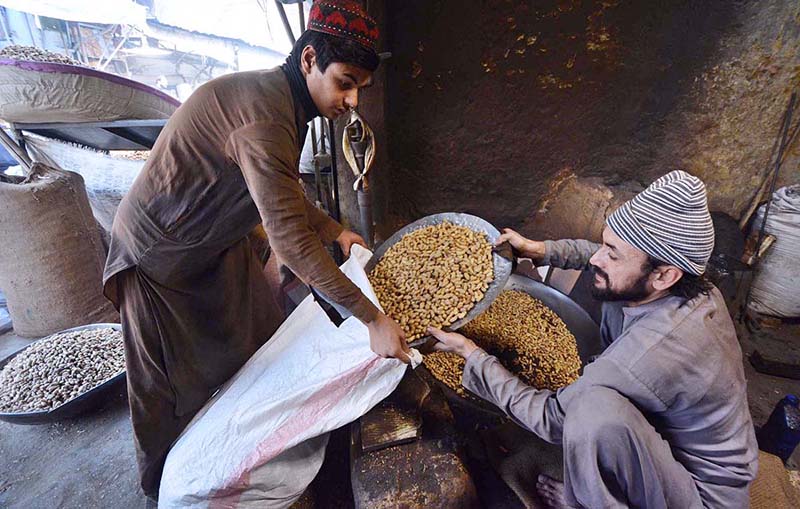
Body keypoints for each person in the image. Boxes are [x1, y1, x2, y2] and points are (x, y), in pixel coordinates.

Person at [102, 0, 409, 498]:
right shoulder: (265, 117)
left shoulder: (286, 104)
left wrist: (334, 229)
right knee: (166, 391)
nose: (353, 100)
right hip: (158, 256)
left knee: (256, 340)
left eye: (360, 89)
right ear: (309, 60)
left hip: (212, 243)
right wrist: (372, 319)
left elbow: (283, 193)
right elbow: (288, 238)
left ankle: (248, 454)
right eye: (346, 82)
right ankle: (172, 489)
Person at [429, 171, 758, 508]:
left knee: (591, 411)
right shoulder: (683, 286)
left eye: (612, 254)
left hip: (703, 497)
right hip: (669, 442)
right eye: (605, 244)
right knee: (606, 306)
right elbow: (601, 254)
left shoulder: (653, 352)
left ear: (664, 275)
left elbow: (553, 419)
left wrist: (473, 356)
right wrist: (541, 250)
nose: (598, 258)